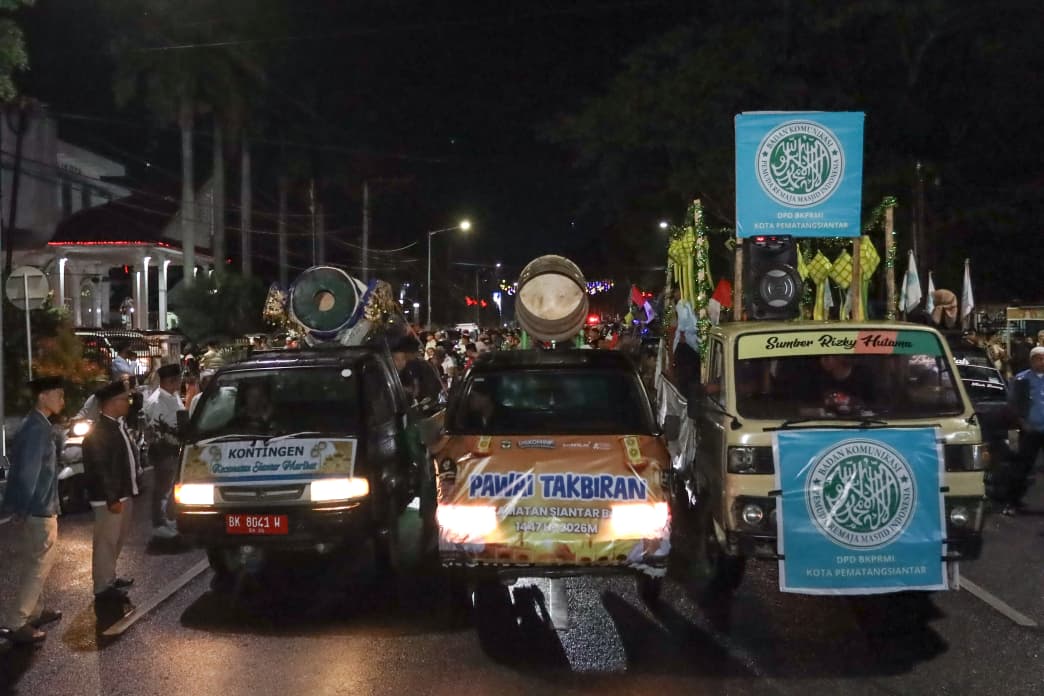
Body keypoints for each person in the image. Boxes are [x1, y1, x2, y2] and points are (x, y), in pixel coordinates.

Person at [0, 376, 66, 645]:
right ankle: (17, 621)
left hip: (35, 507)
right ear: (43, 396)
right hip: (39, 508)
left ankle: (35, 611)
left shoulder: (35, 424)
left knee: (33, 561)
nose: (62, 400)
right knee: (39, 564)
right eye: (58, 395)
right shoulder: (38, 428)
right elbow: (28, 474)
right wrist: (24, 508)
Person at [83, 380, 140, 615]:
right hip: (110, 498)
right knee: (106, 542)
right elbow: (101, 469)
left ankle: (110, 577)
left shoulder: (117, 425)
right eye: (123, 399)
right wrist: (112, 497)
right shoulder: (100, 432)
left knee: (115, 540)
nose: (127, 403)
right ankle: (102, 587)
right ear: (111, 404)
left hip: (122, 494)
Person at [144, 364, 185, 539]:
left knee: (170, 487)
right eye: (178, 380)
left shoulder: (172, 396)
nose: (180, 383)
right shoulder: (157, 401)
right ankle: (159, 523)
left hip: (174, 449)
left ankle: (168, 519)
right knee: (162, 488)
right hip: (164, 451)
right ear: (171, 381)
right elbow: (156, 431)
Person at [1006, 346, 1044, 515]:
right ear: (1032, 360)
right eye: (1039, 359)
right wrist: (1022, 423)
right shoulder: (1021, 380)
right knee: (1022, 466)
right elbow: (1014, 405)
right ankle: (1014, 502)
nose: (1042, 362)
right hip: (1030, 430)